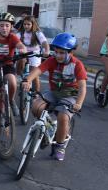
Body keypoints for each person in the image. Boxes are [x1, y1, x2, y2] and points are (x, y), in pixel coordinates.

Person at [22, 33, 87, 161]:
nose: (58, 55)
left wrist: (78, 103)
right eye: (56, 52)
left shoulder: (77, 65)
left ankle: (60, 146)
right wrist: (28, 80)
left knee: (63, 116)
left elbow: (83, 87)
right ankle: (47, 131)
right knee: (36, 107)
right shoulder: (52, 60)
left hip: (70, 95)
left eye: (62, 53)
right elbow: (38, 70)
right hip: (54, 93)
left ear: (71, 52)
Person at [16, 15, 50, 92]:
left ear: (33, 24)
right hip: (23, 53)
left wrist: (47, 51)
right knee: (21, 60)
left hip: (34, 54)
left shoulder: (37, 33)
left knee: (34, 74)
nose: (26, 26)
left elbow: (44, 42)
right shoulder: (20, 33)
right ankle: (19, 75)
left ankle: (36, 94)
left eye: (28, 24)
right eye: (24, 24)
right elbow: (14, 40)